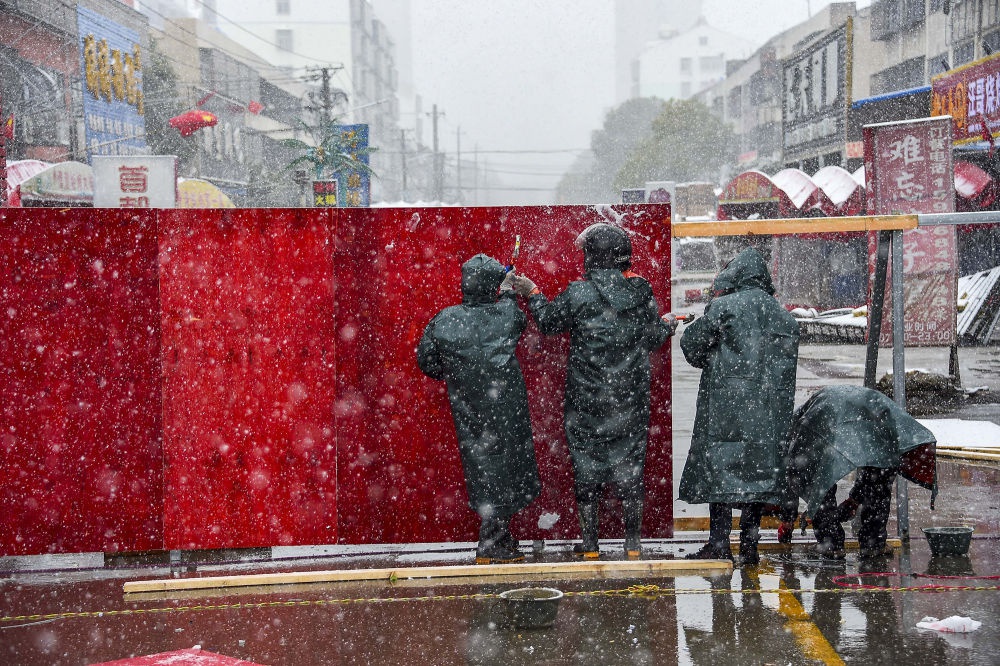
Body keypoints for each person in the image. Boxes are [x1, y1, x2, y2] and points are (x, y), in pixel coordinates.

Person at [511, 223, 676, 559]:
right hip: (629, 399)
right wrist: (668, 325)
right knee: (630, 468)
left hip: (586, 400)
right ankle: (632, 546)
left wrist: (532, 293)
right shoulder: (641, 292)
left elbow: (548, 323)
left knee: (586, 468)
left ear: (592, 257)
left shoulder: (579, 293)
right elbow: (652, 337)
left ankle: (589, 547)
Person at [416, 254, 541, 565]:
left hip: (468, 404)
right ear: (493, 286)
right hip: (507, 405)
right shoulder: (506, 314)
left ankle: (496, 536)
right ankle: (493, 540)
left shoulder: (445, 319)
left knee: (483, 465)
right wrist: (510, 290)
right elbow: (515, 316)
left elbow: (427, 361)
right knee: (509, 465)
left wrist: (459, 375)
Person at [679, 245, 799, 566]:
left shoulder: (723, 308)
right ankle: (750, 543)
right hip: (769, 413)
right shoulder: (785, 318)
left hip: (725, 407)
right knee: (757, 472)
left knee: (720, 467)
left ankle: (719, 542)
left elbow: (691, 346)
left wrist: (712, 359)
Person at [783, 385, 937, 561]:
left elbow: (798, 478)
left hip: (846, 415)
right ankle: (873, 544)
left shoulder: (800, 429)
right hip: (869, 413)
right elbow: (873, 468)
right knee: (879, 473)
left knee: (819, 479)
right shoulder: (807, 422)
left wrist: (788, 519)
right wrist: (855, 499)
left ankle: (831, 544)